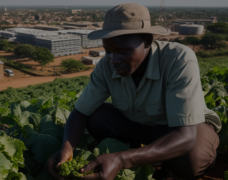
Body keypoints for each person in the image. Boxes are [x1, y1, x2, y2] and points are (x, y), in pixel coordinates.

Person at [47, 3, 221, 180]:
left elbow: (186, 137)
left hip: (182, 129)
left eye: (123, 51)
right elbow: (81, 112)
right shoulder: (107, 66)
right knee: (95, 116)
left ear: (147, 41)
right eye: (108, 51)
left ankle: (160, 165)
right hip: (139, 125)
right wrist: (67, 148)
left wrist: (122, 159)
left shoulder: (178, 60)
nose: (114, 59)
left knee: (193, 161)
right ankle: (142, 157)